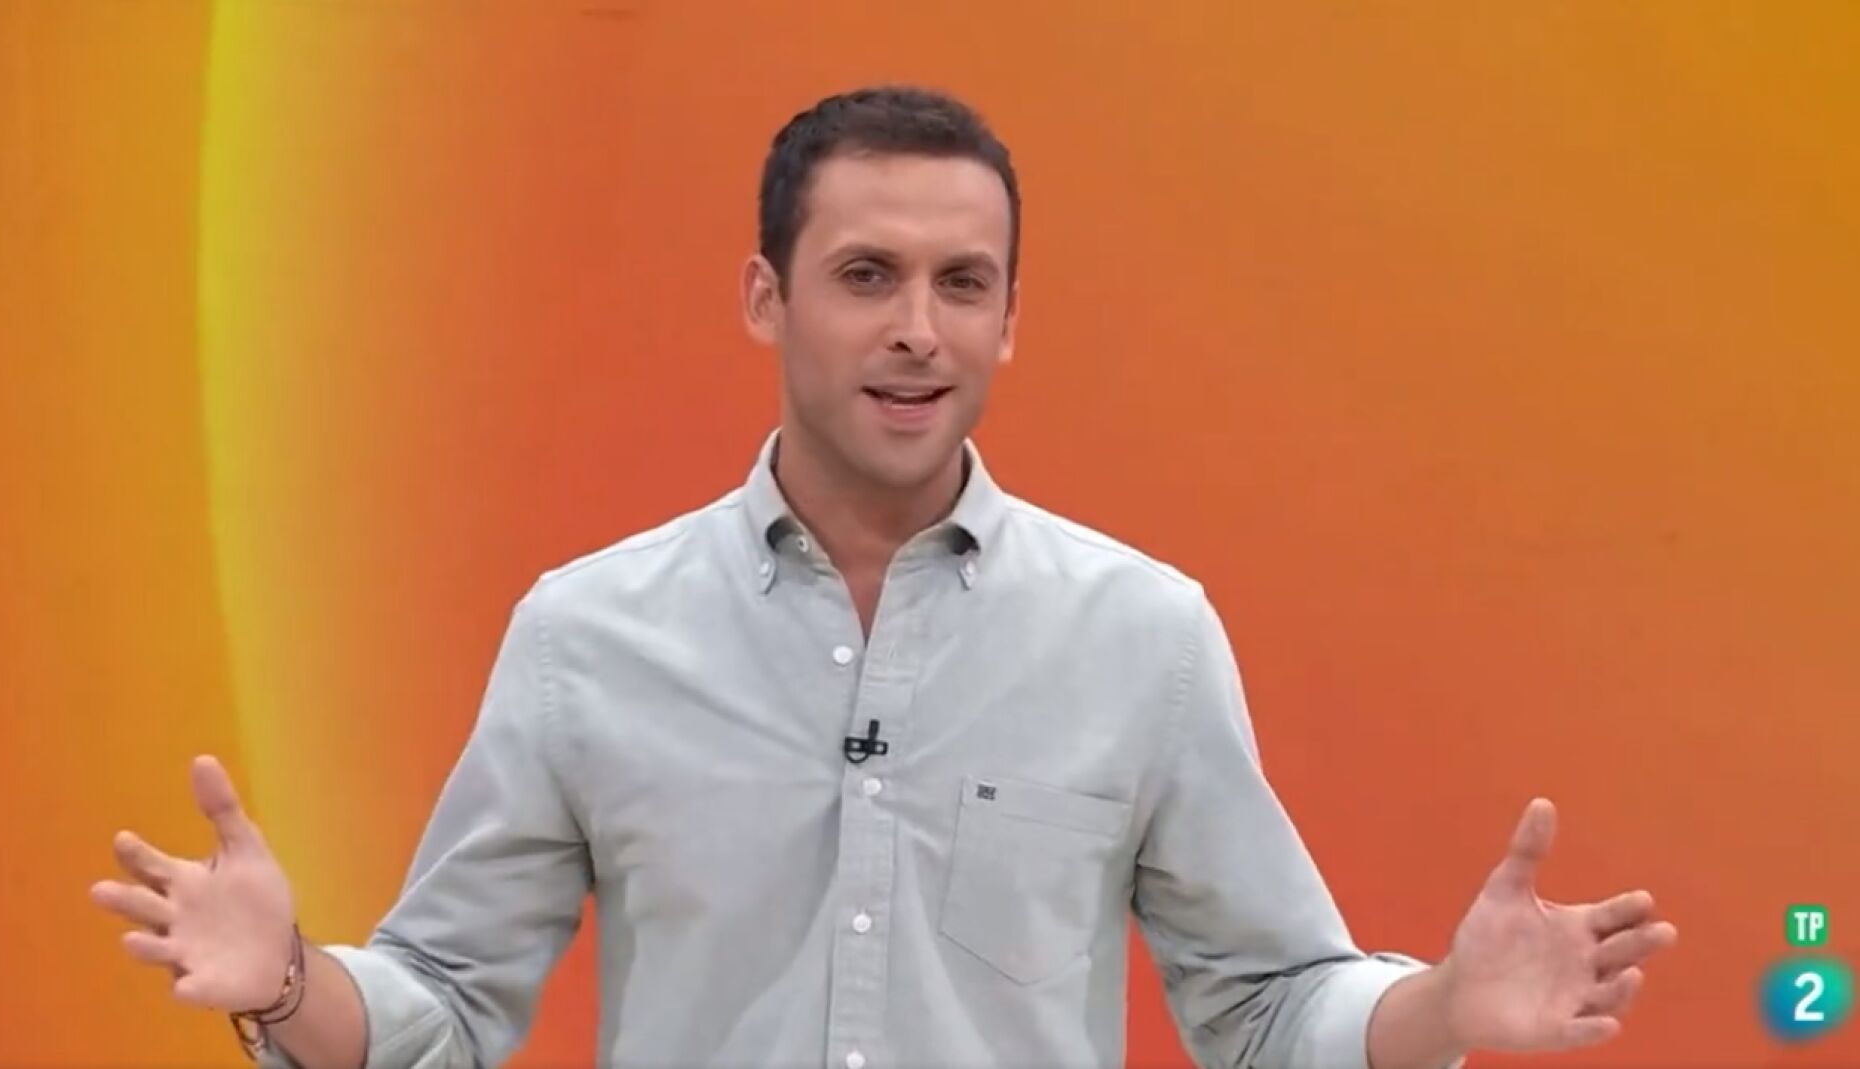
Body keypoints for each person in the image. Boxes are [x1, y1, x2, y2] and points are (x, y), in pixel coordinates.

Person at [93, 85, 1677, 1069]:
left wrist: (1442, 1010)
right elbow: (442, 1003)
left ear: (1009, 319)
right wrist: (286, 981)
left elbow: (1270, 1008)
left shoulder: (1142, 634)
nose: (919, 328)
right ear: (766, 298)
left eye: (962, 283)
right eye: (867, 276)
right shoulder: (588, 635)